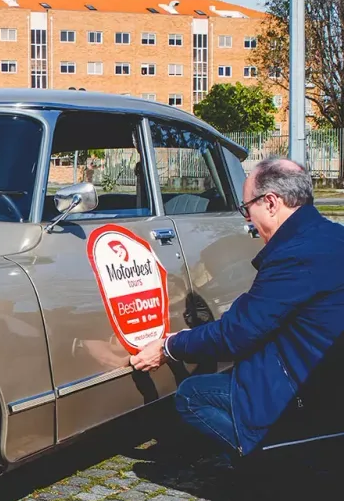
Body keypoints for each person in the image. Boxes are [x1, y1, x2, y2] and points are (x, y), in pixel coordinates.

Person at [129, 157, 344, 462]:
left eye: (247, 209)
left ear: (271, 203)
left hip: (307, 390)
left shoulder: (294, 255)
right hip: (324, 375)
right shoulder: (331, 236)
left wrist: (169, 347)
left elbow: (237, 334)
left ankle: (271, 457)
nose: (248, 221)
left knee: (192, 395)